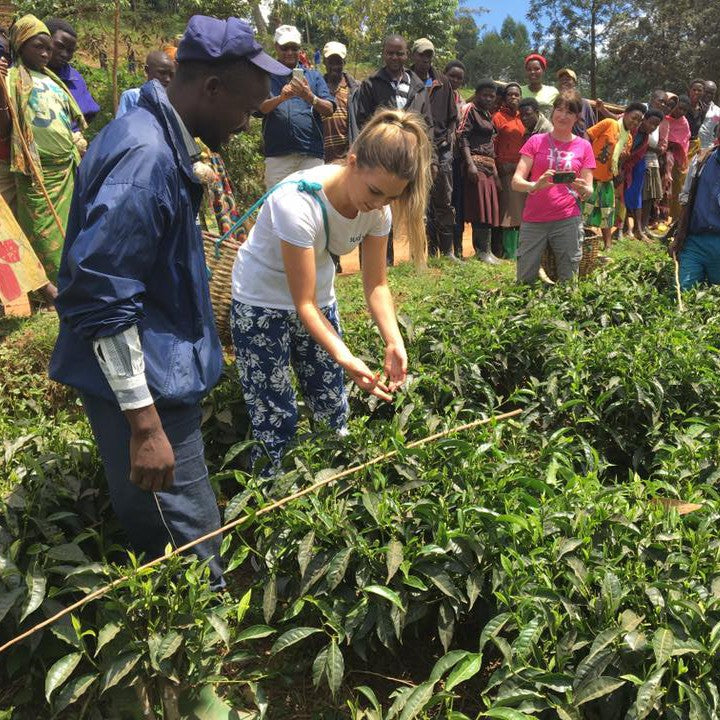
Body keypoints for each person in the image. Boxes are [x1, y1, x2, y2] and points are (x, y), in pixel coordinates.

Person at [49, 16, 287, 590]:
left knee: (179, 524)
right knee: (187, 540)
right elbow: (102, 294)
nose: (246, 125)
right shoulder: (146, 159)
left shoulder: (152, 136)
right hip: (144, 385)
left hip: (158, 367)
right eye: (246, 110)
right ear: (211, 88)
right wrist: (146, 425)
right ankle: (200, 656)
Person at [230, 109, 431, 471]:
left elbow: (376, 284)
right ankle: (274, 496)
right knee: (274, 410)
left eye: (390, 197)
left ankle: (335, 481)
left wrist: (393, 340)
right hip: (260, 300)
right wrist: (346, 356)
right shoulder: (297, 203)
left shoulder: (377, 211)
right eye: (374, 191)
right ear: (352, 162)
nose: (379, 204)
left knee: (330, 401)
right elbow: (302, 304)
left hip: (317, 295)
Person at [1, 15, 86, 280]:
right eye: (38, 46)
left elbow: (68, 117)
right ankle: (47, 285)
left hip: (65, 168)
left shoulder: (54, 81)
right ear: (20, 45)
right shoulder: (12, 79)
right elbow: (6, 127)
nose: (46, 53)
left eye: (48, 48)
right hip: (36, 169)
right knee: (40, 228)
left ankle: (69, 277)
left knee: (70, 224)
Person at [354, 34, 433, 265]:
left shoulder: (418, 86)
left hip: (412, 155)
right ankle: (381, 261)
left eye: (399, 53)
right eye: (390, 52)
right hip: (380, 157)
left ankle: (417, 257)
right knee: (378, 205)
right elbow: (362, 122)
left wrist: (430, 159)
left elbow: (428, 124)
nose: (395, 57)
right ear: (383, 54)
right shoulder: (370, 84)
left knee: (417, 204)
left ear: (406, 55)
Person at [511, 91, 595, 283]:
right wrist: (535, 185)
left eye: (569, 112)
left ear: (577, 117)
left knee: (568, 279)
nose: (563, 116)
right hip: (534, 220)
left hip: (568, 219)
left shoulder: (584, 146)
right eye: (559, 109)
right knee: (525, 279)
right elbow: (516, 182)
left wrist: (583, 188)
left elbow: (589, 190)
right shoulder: (536, 141)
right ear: (552, 112)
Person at [258, 25, 335, 189]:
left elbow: (329, 109)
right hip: (278, 157)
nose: (289, 52)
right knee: (276, 206)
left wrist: (309, 96)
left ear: (299, 49)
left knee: (313, 207)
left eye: (294, 48)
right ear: (276, 47)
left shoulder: (314, 77)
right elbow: (260, 109)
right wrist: (281, 98)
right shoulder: (266, 77)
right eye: (285, 48)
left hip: (310, 155)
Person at [410, 37, 458, 260]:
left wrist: (448, 139)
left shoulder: (442, 81)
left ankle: (447, 251)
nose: (425, 59)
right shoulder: (406, 80)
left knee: (444, 199)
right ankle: (424, 252)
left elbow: (452, 117)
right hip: (414, 148)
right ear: (413, 55)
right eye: (421, 54)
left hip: (441, 147)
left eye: (429, 55)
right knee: (419, 201)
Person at [583, 102, 645, 250]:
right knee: (584, 212)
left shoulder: (629, 138)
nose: (635, 122)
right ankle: (580, 243)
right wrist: (586, 158)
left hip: (607, 179)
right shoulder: (609, 123)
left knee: (607, 213)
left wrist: (623, 158)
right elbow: (588, 135)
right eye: (634, 117)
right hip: (591, 175)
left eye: (639, 120)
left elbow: (619, 162)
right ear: (626, 114)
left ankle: (608, 246)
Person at [669, 132, 720, 289]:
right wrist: (678, 237)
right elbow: (686, 199)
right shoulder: (701, 160)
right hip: (695, 242)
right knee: (685, 291)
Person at [458, 78, 501, 263]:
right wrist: (470, 165)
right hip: (476, 164)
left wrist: (496, 173)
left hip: (489, 165)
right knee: (480, 208)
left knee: (488, 208)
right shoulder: (470, 110)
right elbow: (463, 136)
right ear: (477, 94)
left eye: (492, 96)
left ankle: (487, 251)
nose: (488, 98)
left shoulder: (486, 114)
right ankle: (481, 252)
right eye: (485, 95)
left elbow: (490, 142)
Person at [45, 18, 100, 124]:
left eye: (70, 51)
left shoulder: (75, 78)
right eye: (60, 46)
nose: (65, 54)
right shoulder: (23, 72)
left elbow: (89, 113)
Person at [493, 82, 525, 259]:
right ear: (504, 98)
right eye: (510, 95)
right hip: (505, 170)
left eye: (516, 94)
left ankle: (521, 250)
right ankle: (509, 252)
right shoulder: (498, 117)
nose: (514, 97)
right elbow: (493, 145)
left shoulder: (524, 117)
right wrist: (498, 169)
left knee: (521, 212)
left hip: (522, 171)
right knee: (509, 212)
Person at [622, 109, 664, 240]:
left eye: (656, 125)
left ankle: (638, 229)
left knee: (636, 194)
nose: (653, 127)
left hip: (637, 163)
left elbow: (638, 154)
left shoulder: (645, 137)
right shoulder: (632, 129)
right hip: (622, 163)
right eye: (651, 123)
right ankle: (624, 228)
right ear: (644, 120)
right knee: (622, 194)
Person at [321, 41, 358, 164]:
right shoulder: (316, 87)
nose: (335, 66)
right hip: (321, 157)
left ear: (344, 63)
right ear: (324, 62)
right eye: (331, 62)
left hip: (347, 157)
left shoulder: (355, 89)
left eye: (339, 62)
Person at [445, 59, 467, 258]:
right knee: (442, 202)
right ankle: (439, 248)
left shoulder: (463, 102)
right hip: (442, 156)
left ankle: (458, 247)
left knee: (457, 203)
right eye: (452, 76)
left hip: (458, 159)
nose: (455, 80)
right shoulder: (433, 95)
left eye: (459, 77)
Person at [116, 50, 175, 117]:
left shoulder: (173, 99)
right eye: (162, 73)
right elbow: (122, 125)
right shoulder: (132, 97)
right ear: (147, 70)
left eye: (171, 75)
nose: (168, 79)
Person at [643, 90, 670, 231]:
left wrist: (645, 147)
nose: (663, 104)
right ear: (652, 98)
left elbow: (662, 147)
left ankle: (643, 225)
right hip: (633, 157)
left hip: (651, 159)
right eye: (660, 100)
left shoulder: (664, 122)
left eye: (665, 103)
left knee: (649, 195)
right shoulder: (641, 111)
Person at [664, 94, 691, 221]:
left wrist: (669, 144)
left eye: (684, 110)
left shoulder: (684, 123)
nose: (681, 112)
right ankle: (657, 216)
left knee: (674, 187)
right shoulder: (664, 118)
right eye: (679, 108)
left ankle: (672, 216)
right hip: (659, 155)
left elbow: (682, 142)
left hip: (675, 158)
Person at [556, 68, 595, 136]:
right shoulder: (555, 102)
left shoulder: (584, 104)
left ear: (574, 83)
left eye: (568, 79)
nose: (564, 81)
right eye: (561, 79)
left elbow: (591, 129)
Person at [519, 53, 558, 119]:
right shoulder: (519, 91)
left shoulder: (553, 92)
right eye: (529, 69)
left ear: (543, 71)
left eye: (537, 69)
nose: (532, 72)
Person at [699, 80, 720, 150]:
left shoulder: (717, 111)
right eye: (707, 92)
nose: (709, 95)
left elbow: (717, 130)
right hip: (690, 146)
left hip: (707, 149)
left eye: (711, 93)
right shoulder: (693, 105)